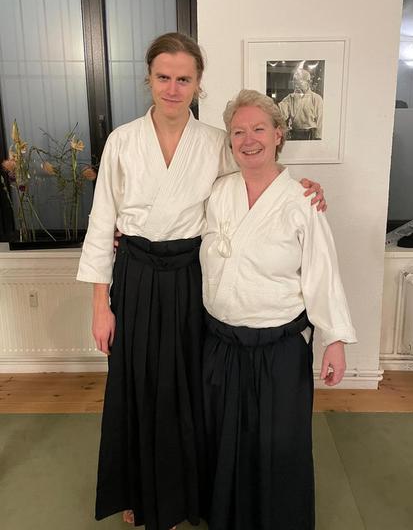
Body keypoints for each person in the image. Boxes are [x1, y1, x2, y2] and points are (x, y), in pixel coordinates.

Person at [77, 33, 327, 530]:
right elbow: (102, 224)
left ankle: (186, 496)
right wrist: (100, 305)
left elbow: (258, 174)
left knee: (187, 390)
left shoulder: (214, 142)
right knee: (139, 384)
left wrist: (304, 187)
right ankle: (140, 491)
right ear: (148, 78)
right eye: (163, 77)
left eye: (183, 79)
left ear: (198, 84)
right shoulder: (122, 141)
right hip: (136, 276)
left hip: (191, 277)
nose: (173, 88)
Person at [200, 89, 357, 530]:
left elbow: (322, 273)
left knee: (279, 442)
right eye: (238, 132)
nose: (248, 140)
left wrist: (334, 340)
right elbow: (176, 232)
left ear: (278, 135)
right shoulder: (217, 192)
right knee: (224, 437)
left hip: (278, 347)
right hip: (220, 342)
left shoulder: (302, 200)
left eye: (258, 129)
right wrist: (124, 233)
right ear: (229, 141)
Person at [278, 68, 323, 140]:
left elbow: (320, 122)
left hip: (311, 136)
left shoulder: (316, 98)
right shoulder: (290, 98)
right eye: (295, 83)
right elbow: (281, 114)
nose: (296, 87)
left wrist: (318, 139)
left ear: (308, 82)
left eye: (299, 83)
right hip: (294, 135)